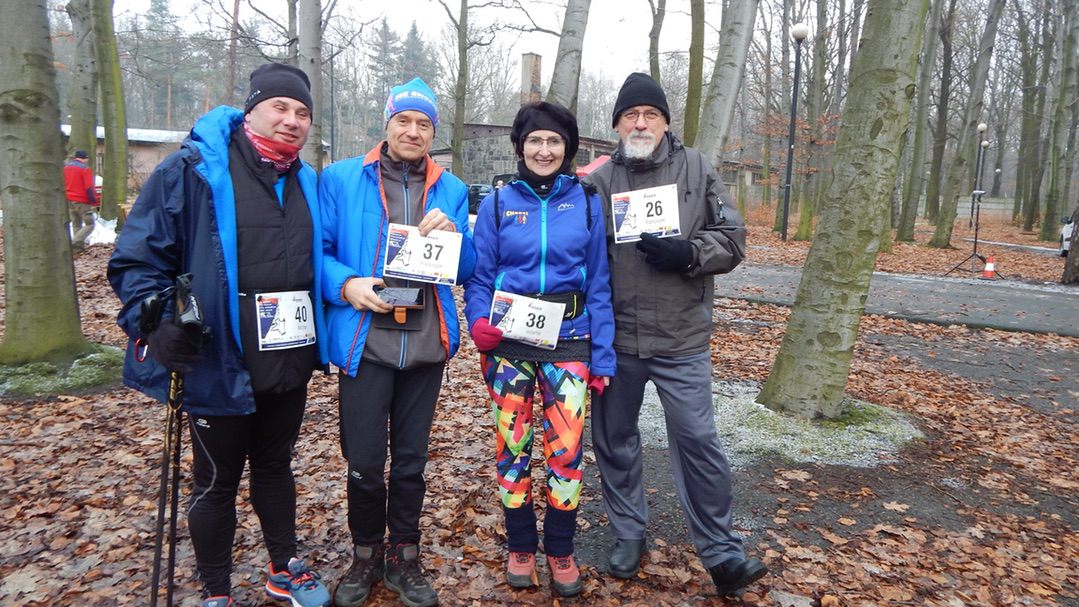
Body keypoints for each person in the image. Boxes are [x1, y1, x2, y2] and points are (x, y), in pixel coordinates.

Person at [108, 63, 332, 607]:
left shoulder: (306, 180)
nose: (292, 120)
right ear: (251, 110)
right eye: (280, 107)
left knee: (275, 466)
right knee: (216, 480)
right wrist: (155, 321)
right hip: (217, 357)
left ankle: (283, 568)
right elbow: (136, 260)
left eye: (303, 112)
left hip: (287, 353)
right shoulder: (193, 170)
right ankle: (216, 591)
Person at [584, 73, 767, 598]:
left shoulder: (698, 168)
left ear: (665, 122)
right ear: (617, 125)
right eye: (630, 115)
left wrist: (690, 253)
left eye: (651, 115)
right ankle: (628, 532)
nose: (641, 123)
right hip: (617, 338)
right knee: (614, 439)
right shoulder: (598, 181)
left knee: (698, 441)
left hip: (681, 337)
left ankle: (722, 551)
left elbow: (732, 238)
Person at [320, 77, 476, 607]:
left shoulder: (452, 188)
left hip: (425, 344)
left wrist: (455, 237)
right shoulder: (342, 178)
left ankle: (404, 557)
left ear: (433, 132)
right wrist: (346, 284)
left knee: (410, 462)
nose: (413, 131)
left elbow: (467, 269)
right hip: (365, 342)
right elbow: (317, 251)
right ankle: (365, 554)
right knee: (364, 462)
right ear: (386, 124)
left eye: (423, 124)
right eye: (403, 120)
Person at [463, 101, 615, 597]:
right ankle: (521, 546)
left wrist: (603, 355)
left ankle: (561, 549)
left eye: (554, 141)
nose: (544, 150)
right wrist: (478, 321)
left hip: (570, 341)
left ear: (567, 148)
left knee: (565, 452)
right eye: (534, 140)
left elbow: (599, 283)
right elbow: (480, 276)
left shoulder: (586, 203)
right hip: (509, 344)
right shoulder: (498, 203)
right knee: (512, 449)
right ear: (520, 146)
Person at [64, 149, 97, 251]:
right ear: (85, 158)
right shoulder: (85, 169)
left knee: (76, 224)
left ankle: (78, 249)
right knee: (90, 224)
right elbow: (89, 187)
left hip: (68, 199)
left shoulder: (66, 168)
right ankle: (75, 242)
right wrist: (93, 201)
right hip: (81, 200)